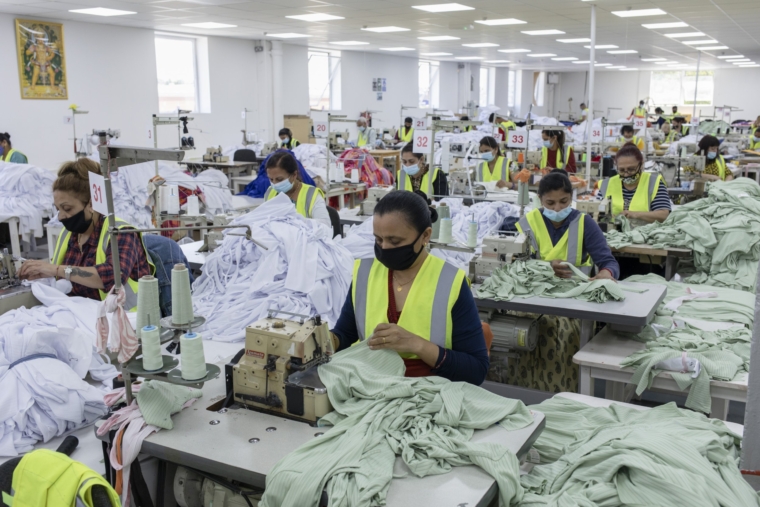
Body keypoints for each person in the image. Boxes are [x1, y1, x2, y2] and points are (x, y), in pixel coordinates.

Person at [330, 190, 489, 385]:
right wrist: (326, 340)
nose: (385, 248)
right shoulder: (365, 273)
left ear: (425, 236)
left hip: (430, 393)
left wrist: (417, 345)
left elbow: (476, 370)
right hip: (371, 385)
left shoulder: (450, 283)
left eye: (395, 241)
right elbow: (345, 334)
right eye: (378, 240)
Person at [508, 170, 619, 392]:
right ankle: (520, 393)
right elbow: (512, 266)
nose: (557, 209)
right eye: (550, 203)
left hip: (572, 303)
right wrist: (546, 267)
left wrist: (607, 273)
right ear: (539, 199)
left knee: (561, 335)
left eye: (563, 201)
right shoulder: (527, 223)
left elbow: (609, 262)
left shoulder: (584, 223)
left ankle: (561, 395)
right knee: (516, 333)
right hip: (532, 298)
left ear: (572, 198)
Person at [18, 159, 154, 309]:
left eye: (67, 208)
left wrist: (55, 269)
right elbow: (64, 278)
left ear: (91, 204)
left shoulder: (121, 233)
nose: (61, 216)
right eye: (58, 209)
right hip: (83, 315)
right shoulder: (68, 235)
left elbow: (112, 276)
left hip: (126, 321)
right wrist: (42, 274)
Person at [598, 144, 671, 224]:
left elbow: (664, 215)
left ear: (641, 165)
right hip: (612, 233)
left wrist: (635, 214)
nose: (626, 174)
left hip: (646, 234)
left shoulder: (654, 183)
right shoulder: (606, 185)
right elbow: (595, 211)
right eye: (621, 170)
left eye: (631, 169)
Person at [264, 152, 331, 228]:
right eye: (271, 179)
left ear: (294, 175)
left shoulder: (311, 195)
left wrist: (297, 221)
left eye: (279, 179)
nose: (275, 184)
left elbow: (326, 226)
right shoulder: (270, 192)